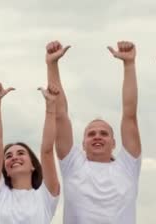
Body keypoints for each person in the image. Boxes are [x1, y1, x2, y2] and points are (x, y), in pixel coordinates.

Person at [49, 40, 142, 224]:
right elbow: (60, 116)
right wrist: (52, 65)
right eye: (91, 134)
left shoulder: (128, 166)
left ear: (114, 143)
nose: (97, 136)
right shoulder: (73, 165)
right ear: (83, 144)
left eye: (104, 133)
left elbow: (129, 114)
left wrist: (129, 65)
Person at [0, 82, 60, 224]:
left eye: (20, 153)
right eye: (8, 156)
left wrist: (51, 106)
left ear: (33, 165)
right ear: (5, 170)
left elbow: (47, 151)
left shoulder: (45, 196)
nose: (14, 157)